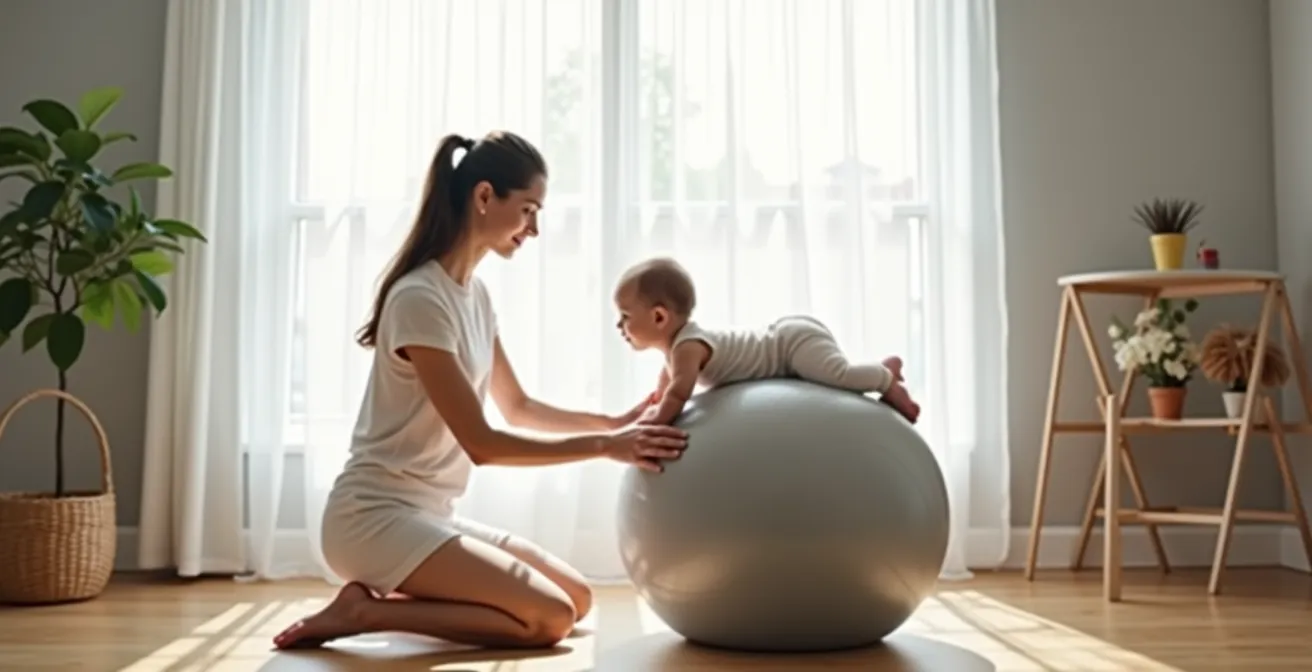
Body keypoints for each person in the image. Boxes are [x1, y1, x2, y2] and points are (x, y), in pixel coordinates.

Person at [272, 132, 688, 651]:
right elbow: (482, 444)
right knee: (549, 619)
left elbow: (518, 407)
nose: (534, 229)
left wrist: (612, 424)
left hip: (428, 513)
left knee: (577, 598)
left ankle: (389, 603)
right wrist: (607, 449)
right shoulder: (420, 299)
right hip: (371, 519)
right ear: (485, 196)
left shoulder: (475, 296)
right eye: (529, 209)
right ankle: (366, 613)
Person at [612, 256, 922, 425]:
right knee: (837, 373)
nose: (619, 325)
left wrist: (653, 422)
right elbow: (666, 386)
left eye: (625, 315)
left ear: (659, 318)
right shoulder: (679, 351)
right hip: (785, 336)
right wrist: (652, 401)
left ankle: (886, 378)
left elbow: (677, 396)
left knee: (837, 375)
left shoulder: (687, 349)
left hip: (790, 346)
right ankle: (880, 368)